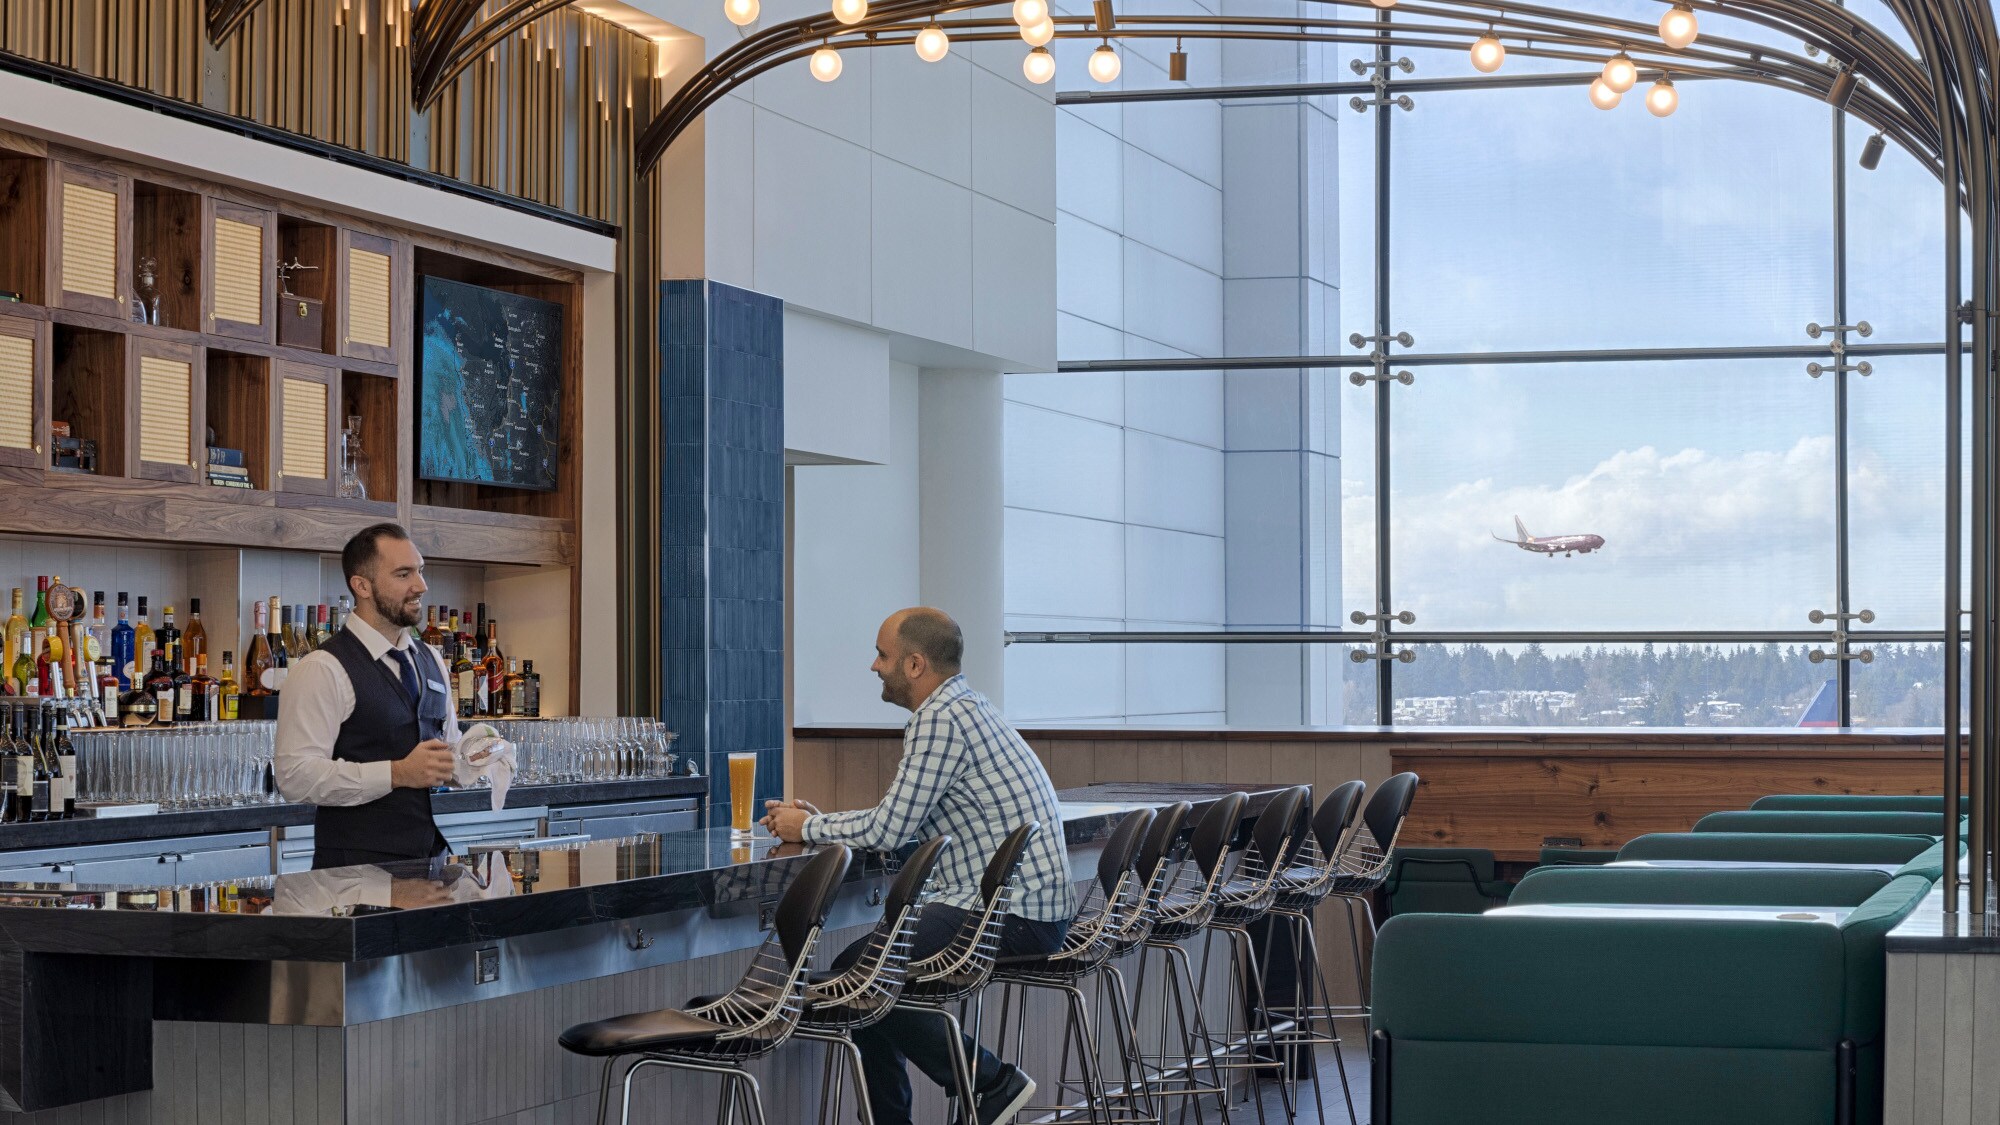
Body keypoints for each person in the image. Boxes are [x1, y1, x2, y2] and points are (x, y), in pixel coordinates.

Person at [763, 608, 1075, 1125]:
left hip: (1011, 915)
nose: (873, 666)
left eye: (882, 655)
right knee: (864, 977)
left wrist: (806, 829)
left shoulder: (939, 719)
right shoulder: (968, 707)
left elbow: (888, 828)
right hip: (1025, 909)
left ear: (913, 663)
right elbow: (903, 823)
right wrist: (826, 822)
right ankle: (965, 1088)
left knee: (856, 978)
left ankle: (989, 1079)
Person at [275, 522, 493, 870]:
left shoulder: (431, 658)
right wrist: (395, 773)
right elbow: (296, 778)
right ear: (361, 585)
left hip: (430, 868)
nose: (420, 586)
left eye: (420, 572)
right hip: (353, 880)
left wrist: (474, 757)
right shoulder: (323, 668)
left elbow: (444, 753)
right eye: (404, 574)